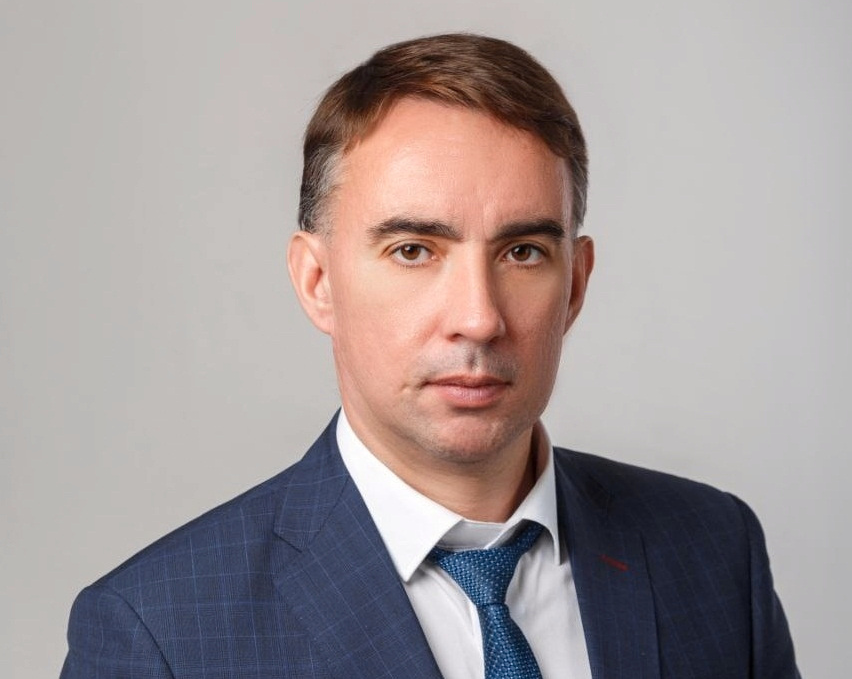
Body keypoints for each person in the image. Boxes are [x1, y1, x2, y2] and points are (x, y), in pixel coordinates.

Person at [60, 33, 799, 679]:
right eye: (414, 250)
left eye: (523, 251)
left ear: (574, 285)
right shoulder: (160, 632)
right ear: (318, 282)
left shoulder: (714, 550)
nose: (478, 318)